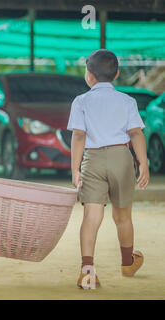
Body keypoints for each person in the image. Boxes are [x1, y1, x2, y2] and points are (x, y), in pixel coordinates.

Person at [67, 49, 149, 289]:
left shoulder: (81, 101)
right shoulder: (127, 101)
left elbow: (79, 137)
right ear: (117, 74)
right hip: (121, 158)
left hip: (92, 159)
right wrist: (143, 163)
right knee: (122, 215)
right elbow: (136, 133)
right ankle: (127, 263)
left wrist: (75, 169)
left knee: (92, 216)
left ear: (89, 75)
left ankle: (87, 271)